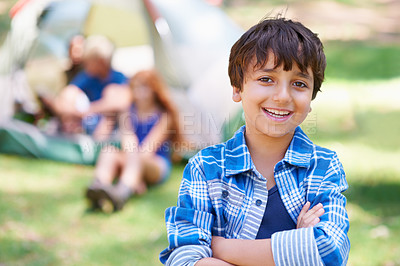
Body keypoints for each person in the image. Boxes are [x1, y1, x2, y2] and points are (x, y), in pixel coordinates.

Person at [160, 17, 350, 266]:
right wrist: (296, 244)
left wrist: (217, 247)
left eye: (299, 84)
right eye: (266, 79)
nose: (282, 96)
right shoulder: (205, 168)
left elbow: (328, 251)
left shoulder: (323, 166)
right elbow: (184, 257)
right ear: (238, 88)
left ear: (311, 97)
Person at [85, 69, 181, 213]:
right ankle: (98, 186)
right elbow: (127, 139)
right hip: (131, 158)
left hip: (154, 163)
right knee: (109, 151)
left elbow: (148, 149)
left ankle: (121, 194)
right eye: (135, 87)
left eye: (144, 87)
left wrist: (135, 170)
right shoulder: (128, 111)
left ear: (154, 89)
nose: (139, 92)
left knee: (136, 157)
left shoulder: (164, 116)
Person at [52, 35, 131, 139]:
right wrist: (74, 111)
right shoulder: (87, 77)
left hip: (112, 124)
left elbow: (121, 103)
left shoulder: (119, 78)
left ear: (101, 62)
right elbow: (67, 94)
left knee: (110, 111)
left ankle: (97, 143)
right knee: (70, 96)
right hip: (89, 119)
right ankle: (72, 137)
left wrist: (90, 110)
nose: (85, 65)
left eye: (88, 61)